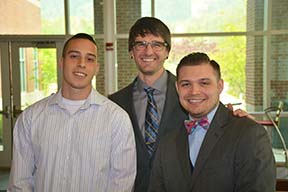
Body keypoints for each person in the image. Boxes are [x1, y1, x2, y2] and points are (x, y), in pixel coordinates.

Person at [108, 17, 251, 192]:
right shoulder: (115, 103)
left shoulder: (190, 94)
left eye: (157, 44)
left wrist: (239, 121)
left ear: (167, 51)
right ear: (131, 51)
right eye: (140, 44)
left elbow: (219, 125)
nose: (148, 50)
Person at [8, 33, 136, 192]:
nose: (82, 64)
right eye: (74, 56)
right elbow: (20, 182)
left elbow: (121, 182)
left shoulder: (117, 119)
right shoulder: (31, 118)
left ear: (96, 68)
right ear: (61, 62)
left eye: (89, 59)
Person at [148, 52, 276, 192]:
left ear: (219, 86)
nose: (194, 91)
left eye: (204, 83)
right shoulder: (168, 142)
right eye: (186, 84)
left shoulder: (249, 133)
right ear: (178, 89)